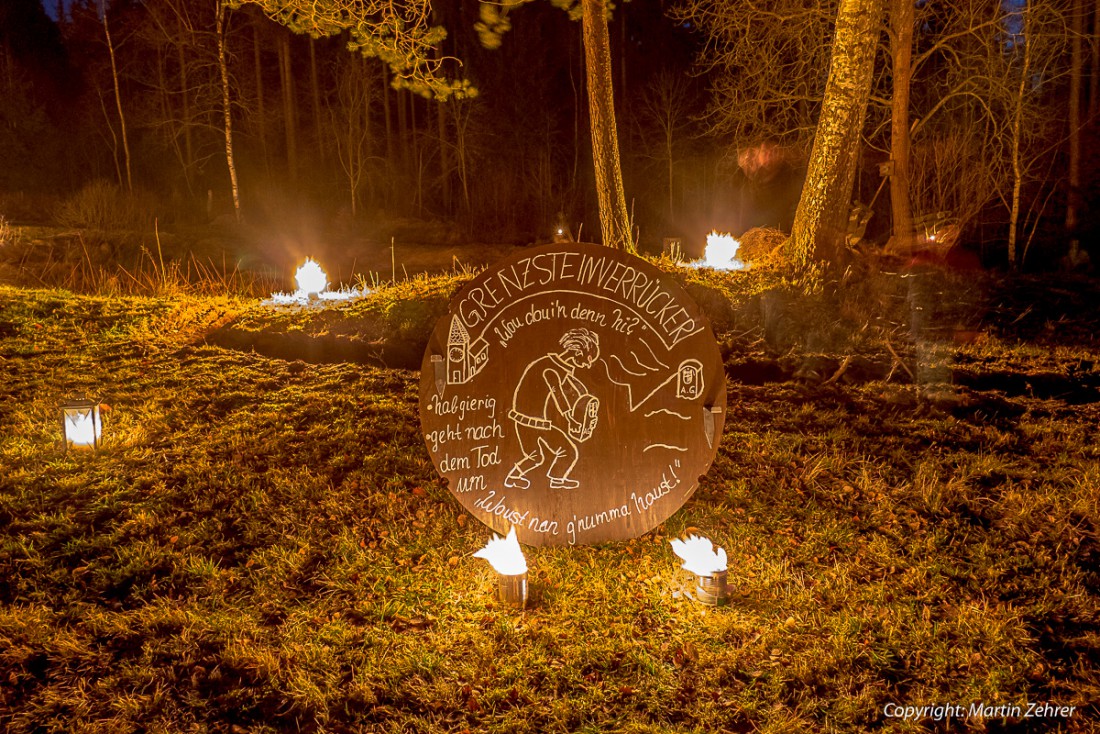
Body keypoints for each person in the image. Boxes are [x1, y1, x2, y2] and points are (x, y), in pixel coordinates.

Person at [505, 328, 600, 490]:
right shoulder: (550, 367)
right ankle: (553, 479)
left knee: (536, 456)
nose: (589, 363)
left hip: (531, 421)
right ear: (577, 352)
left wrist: (585, 400)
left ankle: (517, 477)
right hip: (531, 422)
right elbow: (558, 393)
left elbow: (570, 385)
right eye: (588, 358)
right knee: (566, 451)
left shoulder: (558, 366)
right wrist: (571, 418)